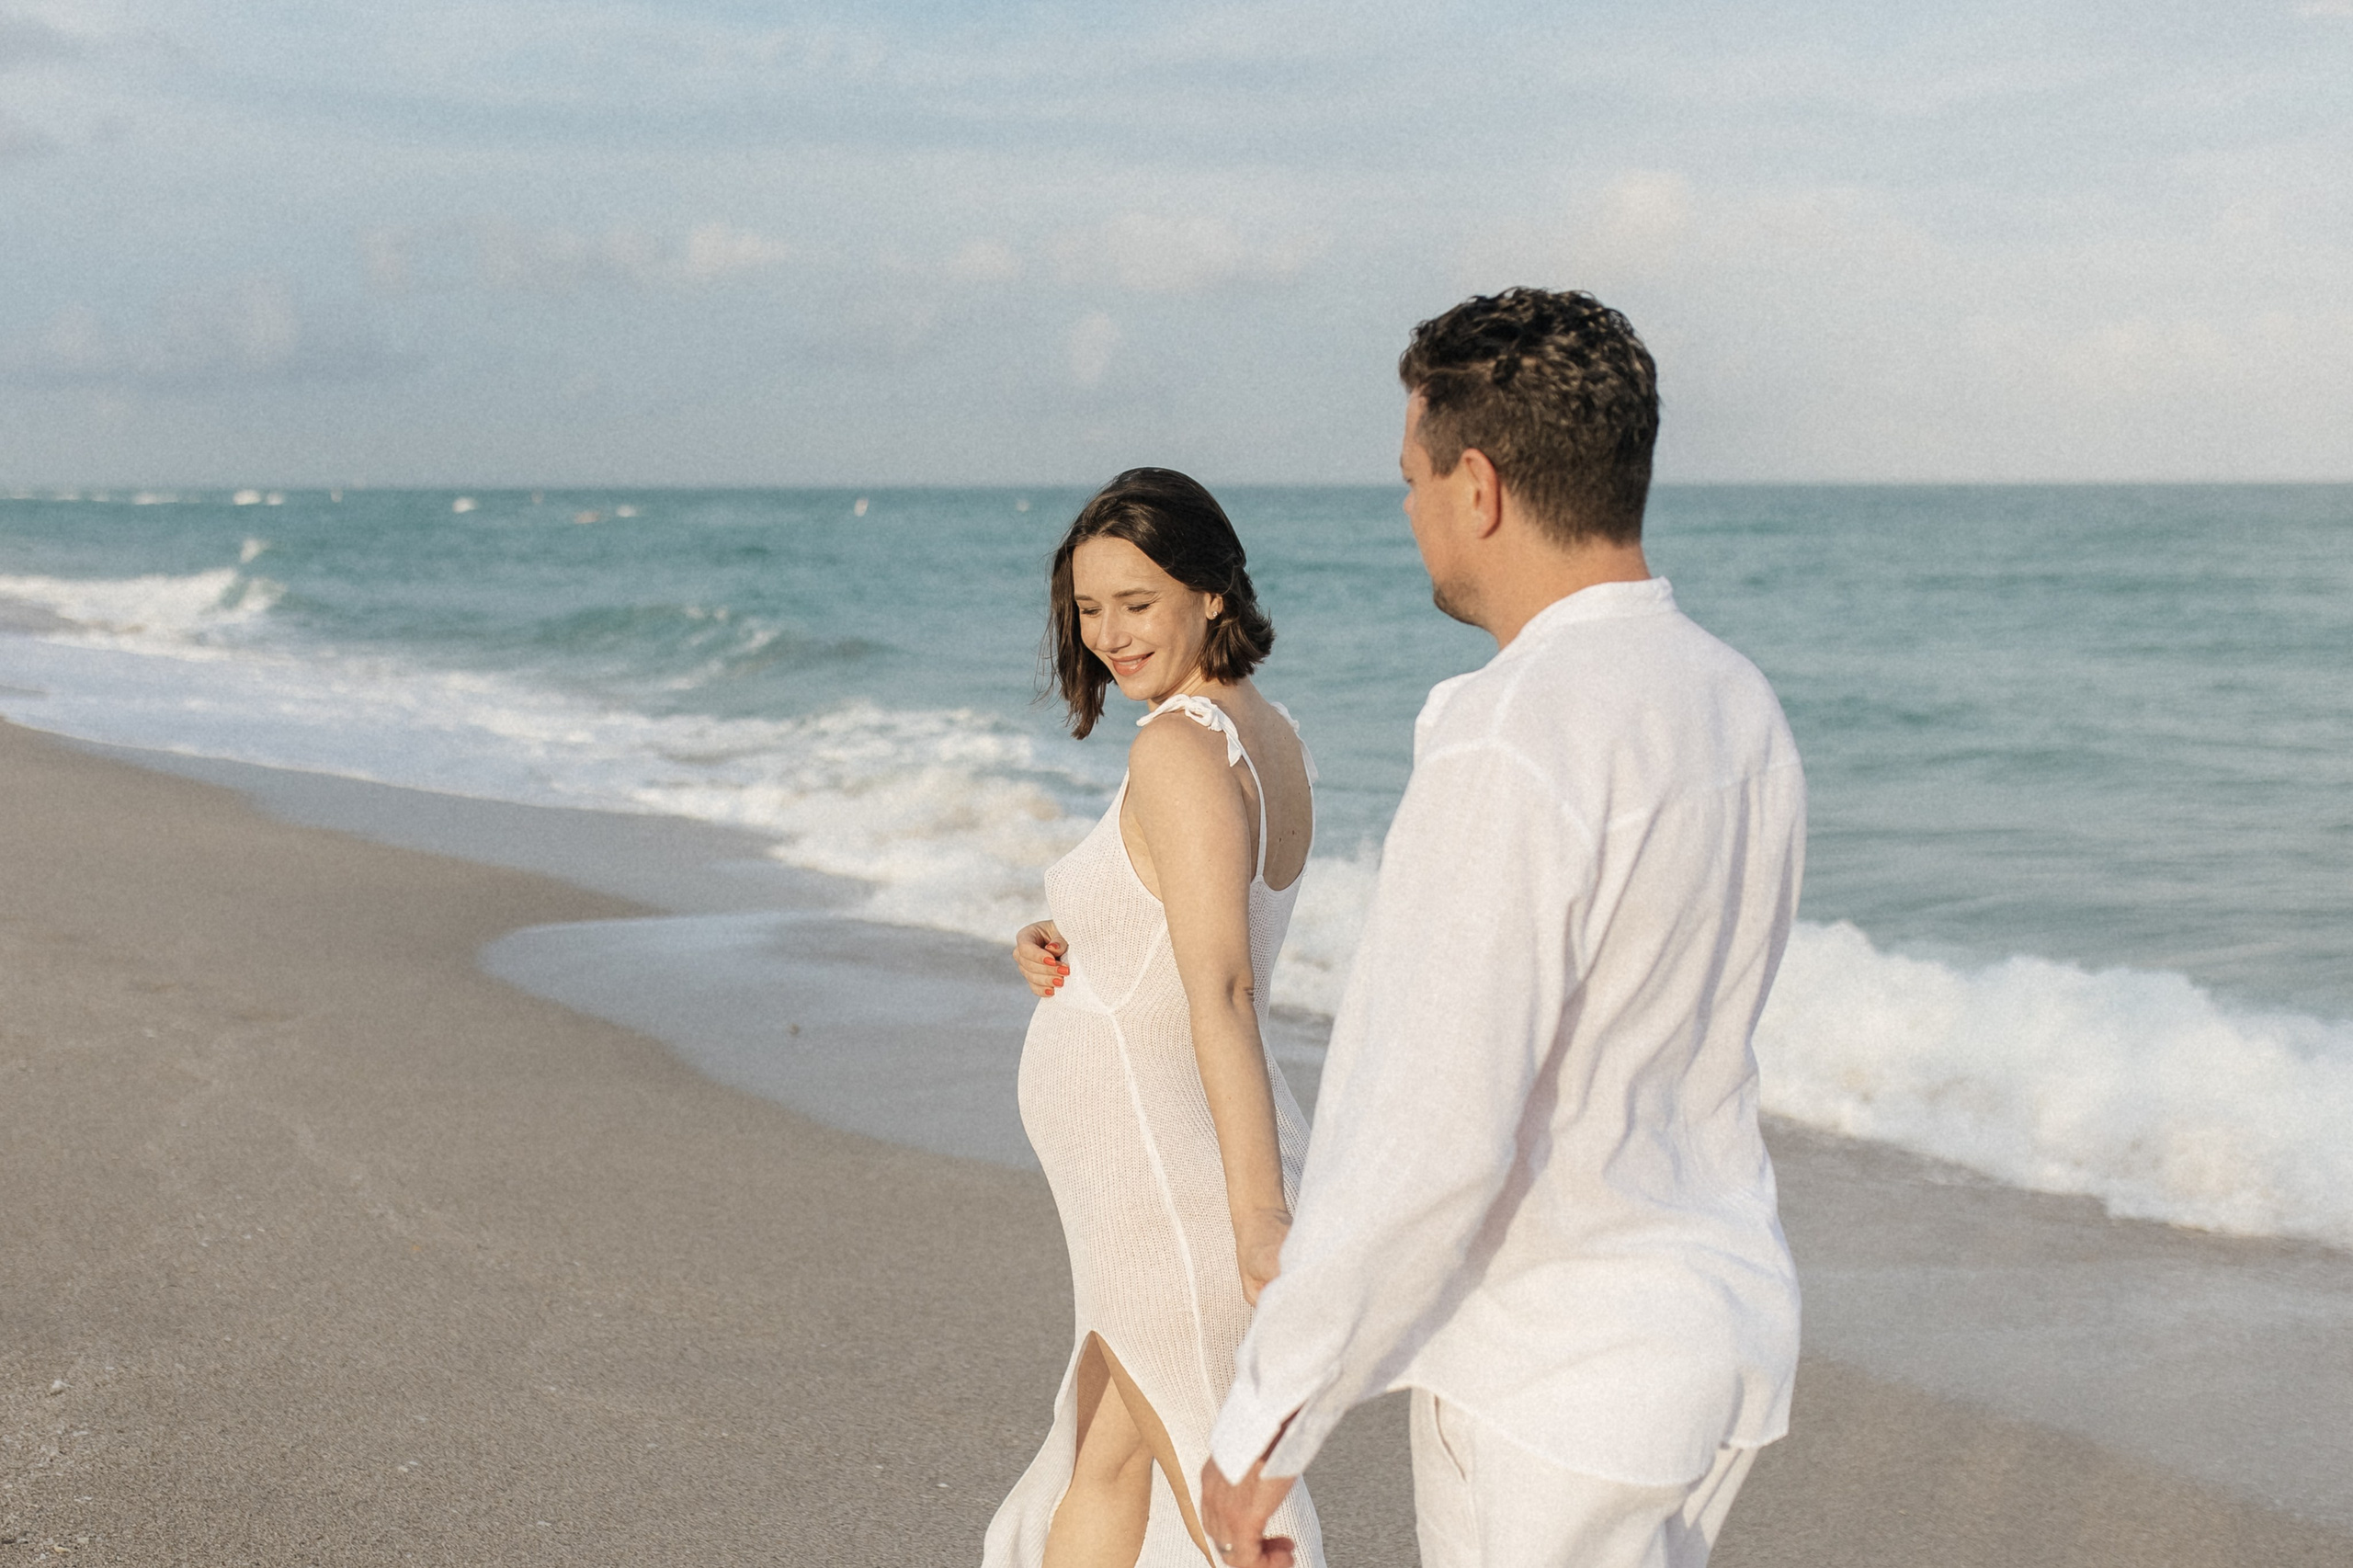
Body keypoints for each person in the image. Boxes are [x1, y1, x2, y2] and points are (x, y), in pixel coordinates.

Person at [1199, 290, 1807, 1568]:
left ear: (1477, 483)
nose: (1409, 510)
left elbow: (1430, 1121)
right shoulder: (1733, 700)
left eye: (1412, 477)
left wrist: (1269, 1413)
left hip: (1554, 1369)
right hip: (1716, 1337)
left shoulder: (1514, 726)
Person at [984, 469, 1327, 1568]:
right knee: (1107, 1457)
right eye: (1088, 611)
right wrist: (1069, 922)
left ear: (1212, 590)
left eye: (1137, 602)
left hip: (1171, 1179)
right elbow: (1180, 932)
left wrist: (1258, 1214)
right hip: (1172, 1163)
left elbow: (1222, 989)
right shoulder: (1266, 734)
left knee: (1235, 1512)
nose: (1109, 635)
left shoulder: (1178, 747)